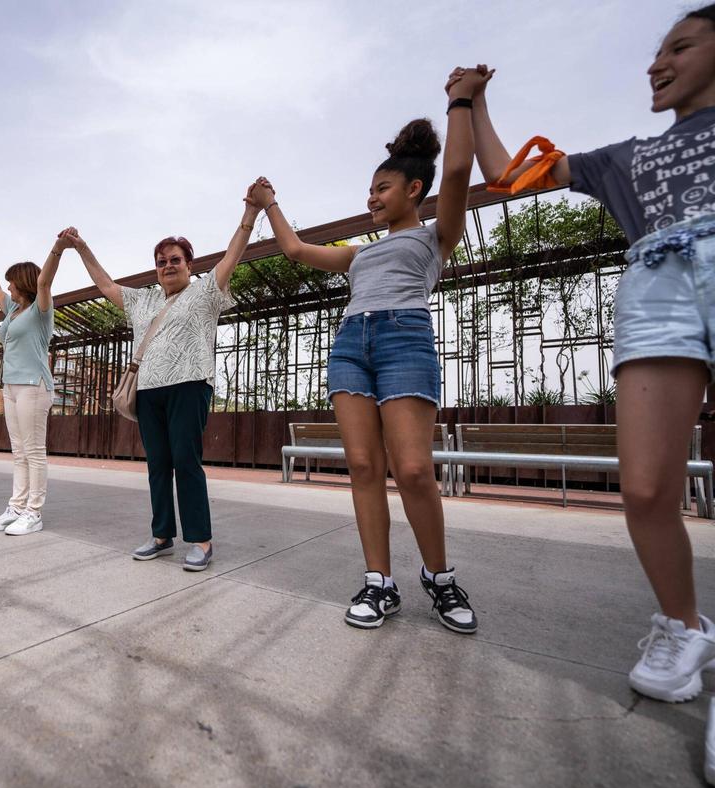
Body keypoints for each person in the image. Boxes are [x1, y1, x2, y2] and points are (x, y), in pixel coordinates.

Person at [456, 4, 715, 701]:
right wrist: (475, 102)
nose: (656, 63)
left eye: (680, 47)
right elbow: (508, 175)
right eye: (657, 51)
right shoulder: (625, 158)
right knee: (646, 488)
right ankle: (685, 628)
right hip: (656, 283)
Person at [248, 77, 480, 626]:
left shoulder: (434, 237)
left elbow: (457, 173)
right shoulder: (357, 254)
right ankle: (380, 583)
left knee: (416, 469)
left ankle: (440, 578)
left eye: (381, 188)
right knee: (362, 465)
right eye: (371, 189)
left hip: (406, 338)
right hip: (352, 342)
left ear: (413, 189)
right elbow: (295, 249)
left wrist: (461, 103)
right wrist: (269, 203)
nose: (371, 197)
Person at [66, 190, 261, 570]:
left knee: (186, 460)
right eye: (161, 262)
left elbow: (232, 255)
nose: (168, 266)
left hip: (190, 384)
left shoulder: (206, 291)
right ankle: (161, 535)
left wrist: (249, 213)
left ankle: (201, 541)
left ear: (189, 264)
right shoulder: (143, 300)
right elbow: (105, 284)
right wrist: (81, 247)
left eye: (175, 260)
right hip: (148, 391)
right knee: (158, 463)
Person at [0, 237, 64, 535]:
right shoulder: (12, 307)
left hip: (34, 386)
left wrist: (58, 249)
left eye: (12, 282)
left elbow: (45, 282)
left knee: (34, 450)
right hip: (11, 387)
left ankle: (34, 512)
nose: (9, 287)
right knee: (18, 451)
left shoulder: (41, 309)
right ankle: (16, 506)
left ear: (24, 283)